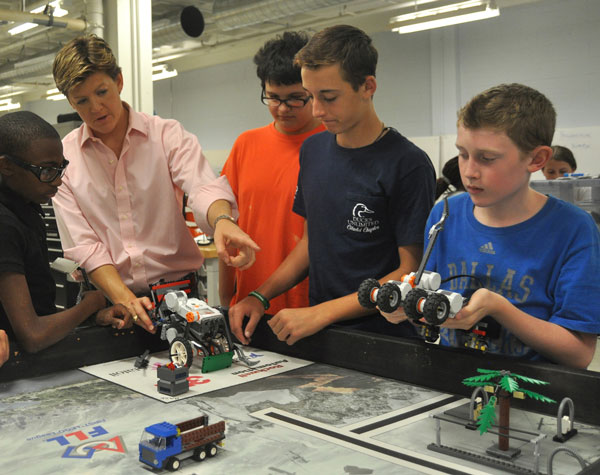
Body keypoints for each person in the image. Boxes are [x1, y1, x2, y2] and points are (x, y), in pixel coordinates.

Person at [229, 25, 436, 346]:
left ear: (368, 86)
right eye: (311, 97)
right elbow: (310, 244)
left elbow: (408, 272)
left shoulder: (407, 163)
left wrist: (323, 312)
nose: (316, 110)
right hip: (321, 334)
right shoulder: (313, 151)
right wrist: (260, 296)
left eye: (329, 97)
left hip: (384, 337)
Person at [380, 83, 600, 369]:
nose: (469, 172)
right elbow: (428, 304)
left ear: (536, 159)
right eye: (463, 154)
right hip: (452, 385)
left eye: (487, 158)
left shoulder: (573, 230)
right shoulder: (444, 215)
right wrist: (404, 310)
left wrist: (498, 308)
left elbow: (578, 354)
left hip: (528, 397)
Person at [51, 35, 259, 332]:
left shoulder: (166, 135)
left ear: (119, 81)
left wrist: (223, 220)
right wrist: (123, 297)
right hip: (109, 303)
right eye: (82, 101)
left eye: (102, 92)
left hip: (178, 295)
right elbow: (85, 246)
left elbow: (202, 186)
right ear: (70, 101)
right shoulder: (65, 158)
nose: (96, 107)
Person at [0, 111, 132, 353]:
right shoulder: (5, 225)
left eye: (60, 168)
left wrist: (94, 317)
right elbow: (32, 335)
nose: (57, 181)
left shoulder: (26, 208)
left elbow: (41, 313)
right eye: (46, 170)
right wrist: (90, 305)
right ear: (6, 166)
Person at [219, 31, 324, 317]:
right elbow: (228, 226)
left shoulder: (331, 145)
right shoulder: (246, 145)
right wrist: (227, 296)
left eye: (295, 99)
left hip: (306, 310)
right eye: (273, 97)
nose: (281, 108)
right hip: (247, 306)